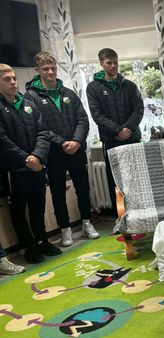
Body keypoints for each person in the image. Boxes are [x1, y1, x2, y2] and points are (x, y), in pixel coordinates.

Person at [25, 52, 99, 247]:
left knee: (83, 189)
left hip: (76, 151)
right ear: (37, 70)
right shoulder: (31, 96)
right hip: (54, 154)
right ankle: (65, 230)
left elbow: (82, 119)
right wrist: (62, 143)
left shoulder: (68, 93)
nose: (51, 72)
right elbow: (38, 126)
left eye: (53, 68)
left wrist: (76, 141)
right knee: (58, 193)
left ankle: (87, 224)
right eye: (46, 69)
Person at [0, 63, 61, 263]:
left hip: (37, 166)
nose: (13, 82)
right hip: (16, 169)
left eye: (14, 78)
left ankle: (42, 241)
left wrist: (37, 156)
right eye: (7, 79)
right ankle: (29, 246)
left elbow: (43, 132)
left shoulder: (28, 103)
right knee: (19, 210)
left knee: (38, 206)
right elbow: (2, 140)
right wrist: (26, 159)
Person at [86, 48, 144, 218]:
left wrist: (127, 129)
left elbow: (139, 109)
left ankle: (139, 213)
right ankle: (120, 217)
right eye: (109, 63)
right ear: (101, 64)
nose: (113, 66)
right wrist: (118, 130)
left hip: (132, 139)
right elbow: (97, 115)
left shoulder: (130, 85)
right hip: (111, 141)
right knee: (115, 180)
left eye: (115, 62)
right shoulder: (93, 88)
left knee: (135, 177)